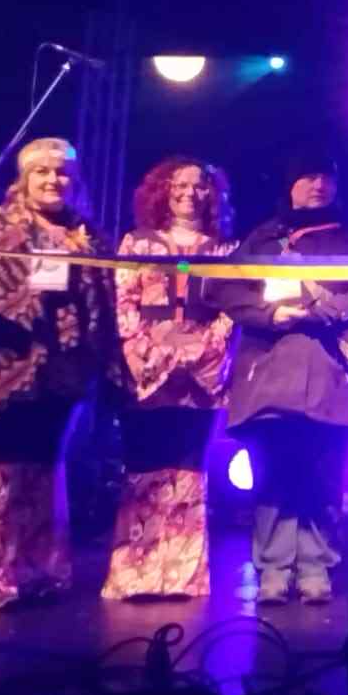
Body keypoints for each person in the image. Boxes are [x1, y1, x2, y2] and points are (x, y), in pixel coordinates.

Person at [0, 138, 118, 610]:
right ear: (23, 178)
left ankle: (35, 570)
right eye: (43, 172)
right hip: (5, 365)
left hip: (64, 369)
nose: (53, 180)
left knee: (44, 465)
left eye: (62, 173)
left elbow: (102, 303)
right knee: (0, 465)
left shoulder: (89, 235)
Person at [212, 150, 348, 605]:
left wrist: (323, 310)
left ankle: (317, 565)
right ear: (290, 183)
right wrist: (269, 314)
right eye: (307, 176)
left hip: (329, 371)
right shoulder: (262, 238)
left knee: (323, 470)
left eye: (325, 176)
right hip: (270, 374)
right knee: (273, 472)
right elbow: (226, 288)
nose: (317, 184)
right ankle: (274, 568)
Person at [101, 157, 238, 600]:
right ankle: (135, 574)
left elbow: (232, 309)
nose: (189, 193)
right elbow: (123, 304)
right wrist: (152, 354)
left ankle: (180, 575)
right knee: (144, 465)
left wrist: (199, 352)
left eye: (199, 186)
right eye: (179, 184)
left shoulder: (225, 249)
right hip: (147, 372)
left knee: (189, 467)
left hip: (201, 374)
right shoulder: (136, 243)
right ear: (162, 190)